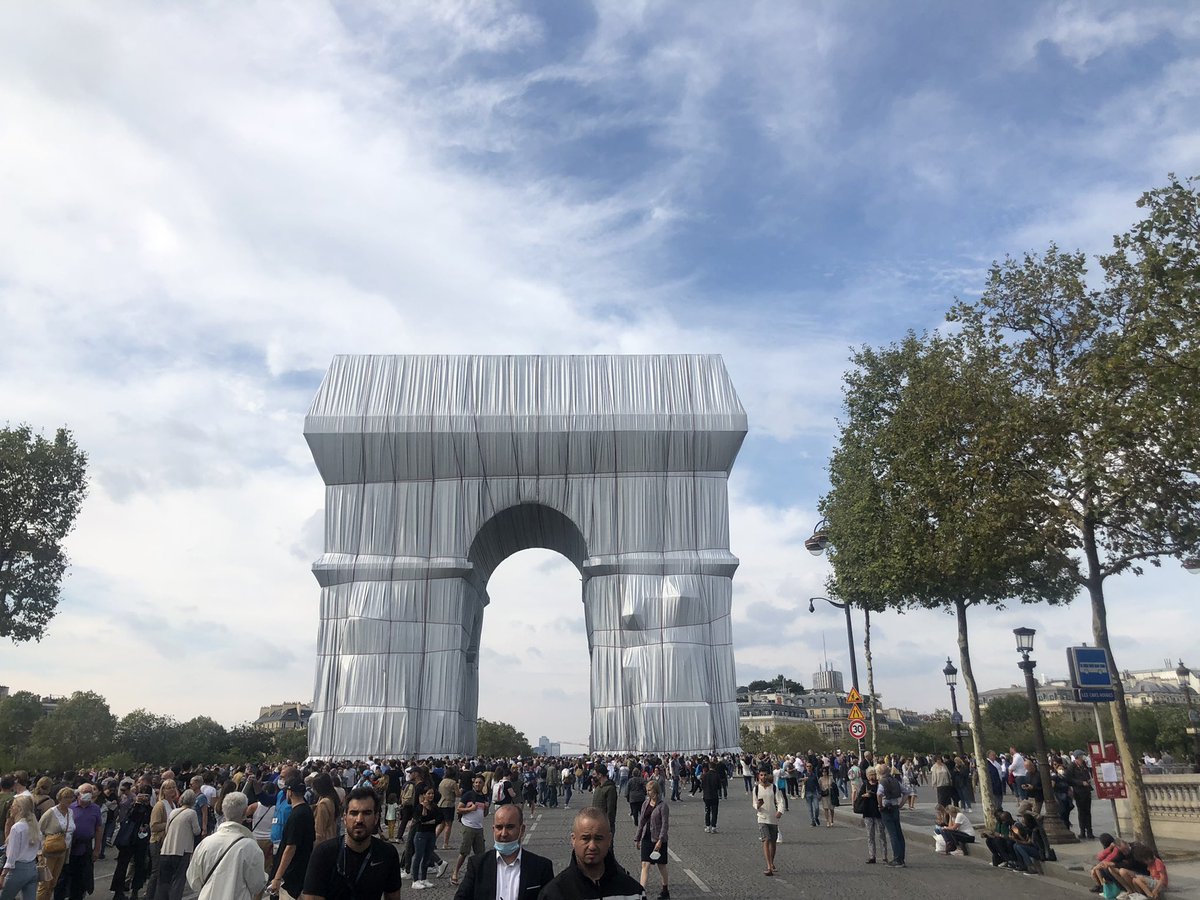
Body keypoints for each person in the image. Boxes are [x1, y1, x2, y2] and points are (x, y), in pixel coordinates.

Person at [299, 786, 402, 900]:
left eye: (367, 813)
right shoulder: (324, 853)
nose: (359, 820)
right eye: (354, 813)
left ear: (376, 818)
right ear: (345, 818)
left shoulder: (387, 853)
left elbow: (393, 896)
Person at [451, 804, 553, 900]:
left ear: (522, 830)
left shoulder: (541, 867)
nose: (504, 833)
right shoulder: (477, 865)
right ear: (493, 829)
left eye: (510, 827)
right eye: (499, 827)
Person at [537, 808, 642, 900]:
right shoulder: (553, 894)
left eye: (598, 838)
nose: (592, 846)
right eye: (585, 838)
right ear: (573, 840)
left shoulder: (633, 891)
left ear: (609, 840)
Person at [186, 792, 266, 900]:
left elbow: (193, 880)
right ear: (245, 812)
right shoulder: (250, 846)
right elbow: (258, 885)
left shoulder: (205, 843)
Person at [269, 779, 315, 899]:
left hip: (290, 873)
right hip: (302, 868)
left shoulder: (296, 816)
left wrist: (278, 877)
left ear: (290, 792)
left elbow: (290, 847)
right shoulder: (307, 810)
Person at [56, 783, 102, 900]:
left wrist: (97, 849)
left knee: (81, 879)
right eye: (85, 792)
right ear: (78, 794)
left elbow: (98, 829)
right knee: (64, 877)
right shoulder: (70, 808)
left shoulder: (95, 809)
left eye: (90, 792)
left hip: (85, 847)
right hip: (69, 847)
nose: (87, 794)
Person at [155, 789, 201, 900]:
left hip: (166, 849)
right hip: (182, 850)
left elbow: (167, 829)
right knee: (178, 881)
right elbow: (196, 831)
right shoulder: (192, 813)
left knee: (163, 882)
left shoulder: (173, 812)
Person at [1, 796, 42, 900]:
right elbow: (39, 848)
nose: (11, 808)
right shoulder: (35, 826)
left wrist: (3, 874)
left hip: (18, 869)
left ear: (19, 808)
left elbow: (12, 855)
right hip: (32, 868)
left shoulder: (17, 827)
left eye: (13, 806)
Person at [36, 788, 74, 900]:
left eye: (71, 797)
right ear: (60, 798)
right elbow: (39, 830)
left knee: (53, 882)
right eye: (66, 797)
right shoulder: (50, 813)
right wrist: (39, 852)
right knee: (44, 882)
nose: (69, 800)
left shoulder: (70, 812)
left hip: (63, 850)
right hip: (49, 851)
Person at [634, 781, 669, 899]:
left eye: (649, 790)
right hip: (646, 837)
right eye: (647, 790)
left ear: (655, 791)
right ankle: (641, 893)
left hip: (658, 838)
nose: (648, 792)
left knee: (661, 865)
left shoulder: (663, 806)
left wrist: (660, 840)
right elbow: (642, 821)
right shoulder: (645, 803)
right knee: (645, 864)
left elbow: (665, 825)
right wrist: (637, 838)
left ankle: (665, 890)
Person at [145, 780, 179, 900]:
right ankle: (149, 896)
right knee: (156, 871)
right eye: (168, 788)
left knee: (164, 872)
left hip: (168, 841)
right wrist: (169, 824)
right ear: (163, 790)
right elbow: (153, 826)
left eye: (173, 787)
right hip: (157, 841)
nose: (171, 790)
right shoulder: (160, 805)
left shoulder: (173, 805)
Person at [751, 769, 784, 877]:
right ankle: (769, 866)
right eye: (761, 775)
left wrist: (780, 811)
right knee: (766, 840)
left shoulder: (774, 788)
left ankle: (771, 861)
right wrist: (758, 805)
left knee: (773, 842)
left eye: (765, 775)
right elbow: (754, 804)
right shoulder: (756, 789)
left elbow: (780, 800)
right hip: (762, 817)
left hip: (773, 817)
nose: (763, 777)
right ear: (758, 776)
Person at [875, 765, 906, 868]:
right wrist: (901, 804)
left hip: (886, 808)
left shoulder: (882, 782)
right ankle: (901, 858)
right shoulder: (895, 781)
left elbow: (879, 794)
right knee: (898, 833)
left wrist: (880, 805)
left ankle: (897, 859)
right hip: (895, 807)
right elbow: (906, 792)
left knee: (892, 834)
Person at [855, 767, 888, 864]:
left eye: (874, 774)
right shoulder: (865, 785)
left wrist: (872, 795)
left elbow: (882, 795)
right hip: (868, 812)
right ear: (867, 776)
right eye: (870, 774)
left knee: (881, 835)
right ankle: (872, 856)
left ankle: (884, 856)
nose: (872, 776)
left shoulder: (880, 784)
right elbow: (860, 796)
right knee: (870, 835)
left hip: (878, 812)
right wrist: (864, 795)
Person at [408, 788, 439, 890]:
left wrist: (429, 821)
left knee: (427, 856)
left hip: (431, 834)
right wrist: (425, 810)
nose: (431, 795)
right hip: (421, 834)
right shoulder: (419, 807)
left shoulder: (434, 807)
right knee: (418, 856)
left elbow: (439, 819)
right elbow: (420, 819)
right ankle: (415, 880)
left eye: (432, 793)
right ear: (424, 795)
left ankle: (424, 879)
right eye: (429, 793)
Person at [1068, 752, 1095, 840]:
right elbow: (1069, 778)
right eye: (1081, 757)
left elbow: (1087, 774)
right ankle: (1082, 831)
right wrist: (1080, 782)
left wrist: (1088, 780)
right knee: (1081, 812)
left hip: (1086, 790)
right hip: (1079, 791)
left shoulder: (1084, 765)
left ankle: (1090, 831)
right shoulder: (1072, 766)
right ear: (1077, 758)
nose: (1082, 759)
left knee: (1088, 811)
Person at [311, 776, 341, 847]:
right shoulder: (332, 798)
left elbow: (319, 829)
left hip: (324, 841)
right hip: (332, 837)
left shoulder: (323, 803)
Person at [590, 767, 618, 839]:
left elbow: (611, 809)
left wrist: (607, 824)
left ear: (600, 775)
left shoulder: (610, 788)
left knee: (607, 847)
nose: (593, 776)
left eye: (594, 774)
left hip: (605, 824)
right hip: (596, 822)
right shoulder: (598, 787)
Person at [700, 763, 722, 834]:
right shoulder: (716, 775)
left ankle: (707, 826)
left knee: (707, 811)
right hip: (714, 796)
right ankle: (713, 827)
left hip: (706, 796)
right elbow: (719, 787)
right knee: (714, 812)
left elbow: (702, 786)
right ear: (715, 767)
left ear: (709, 767)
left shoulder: (704, 775)